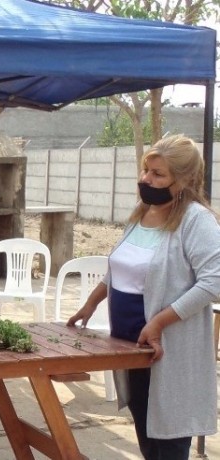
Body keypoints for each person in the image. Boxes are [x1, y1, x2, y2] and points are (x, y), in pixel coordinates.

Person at [67, 134, 220, 460]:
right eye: (146, 170)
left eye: (157, 174)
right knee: (147, 433)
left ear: (184, 180)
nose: (145, 179)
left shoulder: (196, 221)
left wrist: (159, 322)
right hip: (129, 346)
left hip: (167, 350)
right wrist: (91, 302)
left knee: (168, 440)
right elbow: (121, 269)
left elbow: (213, 282)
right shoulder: (142, 214)